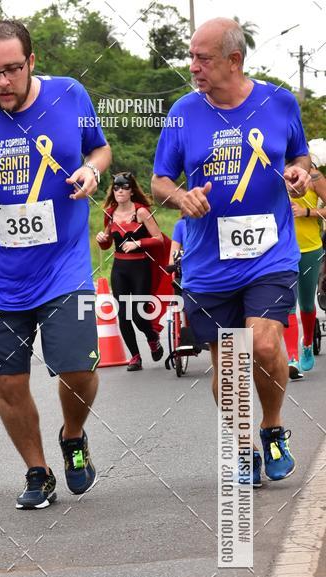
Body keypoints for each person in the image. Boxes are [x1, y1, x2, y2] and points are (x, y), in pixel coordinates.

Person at [0, 19, 111, 509]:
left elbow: (100, 148)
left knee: (77, 369)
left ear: (32, 62)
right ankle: (38, 471)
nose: (1, 82)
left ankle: (72, 435)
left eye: (12, 69)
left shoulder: (70, 96)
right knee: (8, 381)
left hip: (65, 267)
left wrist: (91, 170)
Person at [152, 17, 311, 487]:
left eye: (203, 58)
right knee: (229, 362)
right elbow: (159, 180)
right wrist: (181, 199)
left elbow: (299, 155)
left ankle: (273, 426)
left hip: (270, 253)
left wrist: (299, 173)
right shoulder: (183, 111)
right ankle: (243, 446)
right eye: (191, 57)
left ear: (234, 60)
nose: (193, 66)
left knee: (262, 344)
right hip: (208, 264)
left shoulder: (278, 101)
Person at [96, 172, 165, 371]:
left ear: (131, 190)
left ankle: (152, 337)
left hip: (140, 267)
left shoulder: (141, 212)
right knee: (123, 314)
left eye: (124, 187)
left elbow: (158, 238)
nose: (119, 190)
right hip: (119, 268)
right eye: (116, 187)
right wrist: (103, 240)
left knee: (138, 314)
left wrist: (138, 243)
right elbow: (106, 245)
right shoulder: (109, 213)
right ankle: (135, 356)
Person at [284, 161, 326, 378]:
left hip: (310, 248)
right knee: (288, 305)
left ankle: (307, 343)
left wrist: (306, 211)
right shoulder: (271, 172)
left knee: (307, 305)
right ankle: (293, 359)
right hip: (281, 251)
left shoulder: (313, 176)